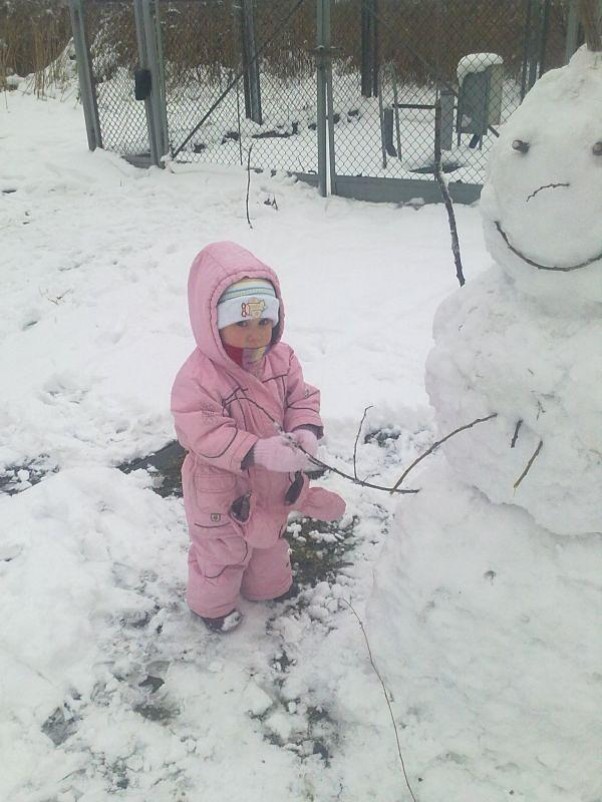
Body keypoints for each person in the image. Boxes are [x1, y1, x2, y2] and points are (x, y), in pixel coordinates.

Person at [171, 242, 345, 633]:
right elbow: (200, 429)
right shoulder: (199, 378)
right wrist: (256, 450)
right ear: (212, 322)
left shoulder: (282, 360)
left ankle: (268, 587)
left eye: (264, 322)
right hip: (221, 486)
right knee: (223, 553)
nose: (255, 336)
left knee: (269, 539)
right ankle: (211, 606)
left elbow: (301, 397)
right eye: (242, 324)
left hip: (271, 482)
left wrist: (305, 430)